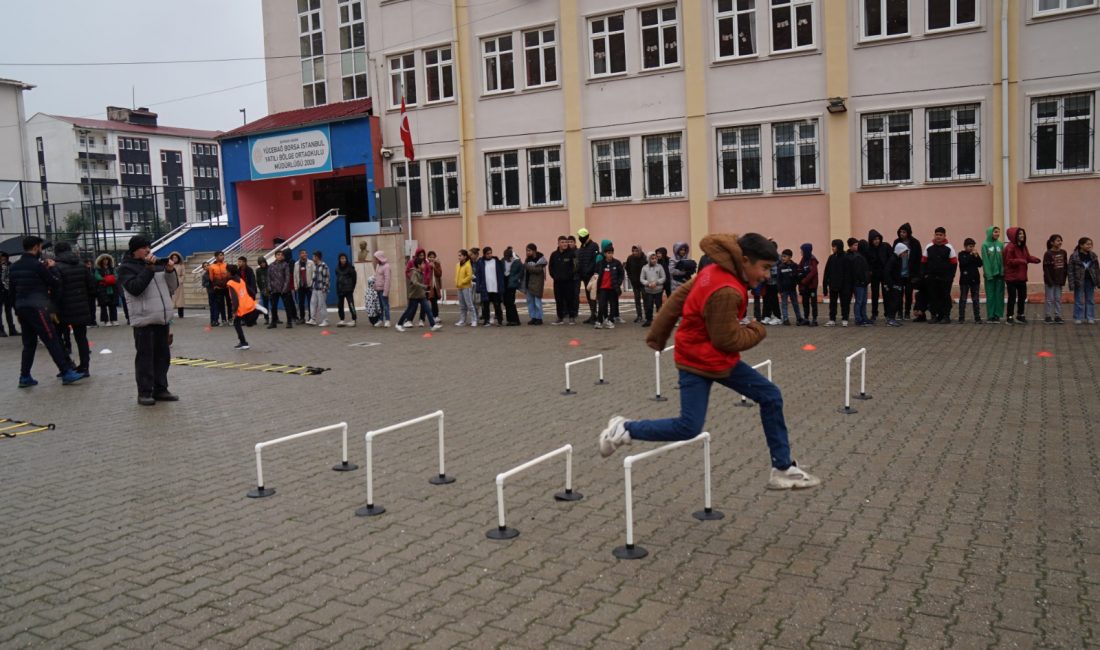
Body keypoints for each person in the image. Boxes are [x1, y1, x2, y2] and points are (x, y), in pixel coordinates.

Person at [597, 233, 821, 490]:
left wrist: (658, 334)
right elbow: (727, 339)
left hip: (713, 358)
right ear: (745, 261)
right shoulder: (726, 290)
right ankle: (623, 429)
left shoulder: (716, 270)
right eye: (765, 268)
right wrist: (758, 329)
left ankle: (783, 468)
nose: (767, 276)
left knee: (770, 396)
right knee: (688, 427)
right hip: (698, 361)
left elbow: (679, 296)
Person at [11, 236, 84, 387]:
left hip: (22, 307)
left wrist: (17, 311)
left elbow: (12, 291)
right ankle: (66, 372)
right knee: (51, 339)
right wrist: (52, 269)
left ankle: (24, 377)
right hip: (37, 307)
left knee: (29, 343)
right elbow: (54, 282)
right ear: (37, 247)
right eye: (40, 247)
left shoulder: (14, 267)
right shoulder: (37, 266)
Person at [117, 235, 177, 405]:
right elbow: (135, 288)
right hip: (144, 320)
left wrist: (170, 271)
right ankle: (144, 392)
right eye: (144, 247)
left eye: (149, 246)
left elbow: (172, 287)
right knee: (145, 358)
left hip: (161, 318)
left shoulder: (155, 264)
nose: (148, 250)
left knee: (162, 357)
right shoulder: (126, 268)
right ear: (134, 250)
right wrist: (149, 269)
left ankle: (161, 389)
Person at [52, 242, 96, 377]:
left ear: (56, 253)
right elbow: (91, 286)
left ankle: (67, 365)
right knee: (81, 338)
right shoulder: (82, 266)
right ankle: (85, 367)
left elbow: (56, 290)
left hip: (63, 309)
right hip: (81, 307)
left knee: (58, 337)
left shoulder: (57, 268)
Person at [921, 227, 958, 325]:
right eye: (936, 234)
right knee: (933, 297)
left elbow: (954, 263)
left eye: (940, 235)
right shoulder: (929, 247)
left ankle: (945, 316)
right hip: (931, 278)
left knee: (945, 297)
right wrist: (925, 275)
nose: (938, 237)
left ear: (944, 236)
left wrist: (951, 276)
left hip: (945, 278)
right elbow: (924, 262)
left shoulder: (949, 247)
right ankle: (934, 316)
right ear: (934, 235)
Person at [1003, 227, 1039, 324]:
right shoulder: (1010, 247)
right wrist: (1020, 261)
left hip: (1021, 276)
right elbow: (1008, 261)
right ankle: (1009, 317)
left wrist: (1034, 259)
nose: (1022, 236)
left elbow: (1027, 257)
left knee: (1022, 296)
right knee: (1012, 297)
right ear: (1014, 236)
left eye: (1023, 234)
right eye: (1019, 234)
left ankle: (1020, 315)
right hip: (1011, 277)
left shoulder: (1023, 246)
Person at [395, 262, 441, 332]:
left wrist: (425, 288)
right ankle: (399, 324)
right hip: (414, 296)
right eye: (423, 264)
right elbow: (415, 282)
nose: (424, 265)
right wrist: (424, 286)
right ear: (419, 265)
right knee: (408, 311)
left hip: (421, 295)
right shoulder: (414, 272)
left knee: (428, 309)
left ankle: (433, 325)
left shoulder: (421, 273)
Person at [226, 263, 259, 350]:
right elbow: (249, 290)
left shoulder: (231, 283)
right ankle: (256, 311)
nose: (225, 273)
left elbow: (234, 299)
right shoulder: (240, 279)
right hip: (247, 304)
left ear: (229, 272)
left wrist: (234, 311)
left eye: (226, 271)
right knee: (249, 323)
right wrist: (253, 297)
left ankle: (244, 343)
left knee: (236, 323)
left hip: (240, 307)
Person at [894, 223, 922, 320]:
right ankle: (899, 313)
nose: (902, 234)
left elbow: (919, 259)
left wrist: (917, 274)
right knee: (899, 293)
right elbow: (894, 256)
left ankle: (907, 313)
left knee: (909, 294)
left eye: (904, 232)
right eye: (900, 232)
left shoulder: (915, 243)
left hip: (910, 273)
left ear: (908, 233)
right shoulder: (896, 242)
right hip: (899, 273)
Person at [1068, 237, 1097, 325]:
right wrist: (1071, 283)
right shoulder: (1074, 256)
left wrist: (1098, 281)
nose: (1089, 246)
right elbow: (1070, 271)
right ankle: (1078, 317)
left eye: (1090, 244)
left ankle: (1090, 317)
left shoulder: (1093, 256)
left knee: (1090, 300)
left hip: (1090, 281)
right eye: (1087, 244)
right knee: (1079, 299)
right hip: (1079, 281)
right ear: (1081, 245)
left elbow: (1097, 269)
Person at [594, 245, 624, 329]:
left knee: (613, 306)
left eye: (611, 253)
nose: (610, 255)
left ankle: (610, 321)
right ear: (604, 254)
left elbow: (621, 274)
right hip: (602, 288)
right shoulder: (600, 264)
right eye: (608, 253)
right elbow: (595, 273)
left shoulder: (617, 263)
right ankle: (599, 321)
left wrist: (618, 284)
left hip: (613, 288)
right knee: (601, 305)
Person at [549, 235, 577, 325]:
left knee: (570, 299)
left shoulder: (572, 254)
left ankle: (571, 317)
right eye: (562, 242)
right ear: (558, 243)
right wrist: (555, 276)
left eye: (566, 242)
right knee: (559, 300)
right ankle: (560, 318)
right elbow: (551, 267)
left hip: (569, 282)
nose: (565, 244)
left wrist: (569, 275)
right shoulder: (554, 254)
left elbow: (576, 266)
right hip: (557, 282)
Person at [822, 239, 851, 327]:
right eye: (832, 246)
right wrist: (825, 286)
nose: (832, 248)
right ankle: (832, 319)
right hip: (833, 285)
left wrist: (849, 286)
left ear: (839, 247)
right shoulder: (831, 258)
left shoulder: (846, 257)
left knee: (845, 303)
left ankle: (845, 319)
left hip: (844, 285)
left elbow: (849, 273)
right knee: (832, 303)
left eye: (834, 246)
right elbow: (826, 272)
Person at [476, 245, 505, 326]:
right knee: (485, 305)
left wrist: (501, 286)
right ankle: (486, 320)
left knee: (497, 305)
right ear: (484, 254)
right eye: (488, 253)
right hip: (485, 288)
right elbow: (478, 275)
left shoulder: (496, 261)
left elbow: (500, 275)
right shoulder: (481, 262)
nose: (489, 255)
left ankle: (499, 320)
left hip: (495, 287)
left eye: (490, 253)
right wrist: (479, 287)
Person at [981, 226, 1006, 323]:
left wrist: (1003, 271)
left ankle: (997, 315)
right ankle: (990, 315)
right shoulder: (985, 245)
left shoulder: (1000, 245)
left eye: (998, 232)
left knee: (999, 295)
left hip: (1000, 274)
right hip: (990, 275)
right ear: (990, 232)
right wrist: (988, 273)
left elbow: (1003, 259)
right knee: (990, 295)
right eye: (995, 232)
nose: (997, 234)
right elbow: (985, 261)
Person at [865, 230, 890, 323]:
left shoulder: (885, 246)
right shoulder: (869, 249)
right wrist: (870, 271)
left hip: (885, 274)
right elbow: (867, 262)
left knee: (886, 294)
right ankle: (874, 313)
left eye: (878, 239)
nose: (877, 241)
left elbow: (890, 258)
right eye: (874, 239)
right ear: (871, 240)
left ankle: (887, 314)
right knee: (874, 295)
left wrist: (888, 270)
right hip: (874, 275)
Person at [266, 249, 295, 329]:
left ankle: (289, 322)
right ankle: (273, 322)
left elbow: (287, 277)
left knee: (287, 306)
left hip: (284, 290)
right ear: (275, 256)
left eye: (281, 255)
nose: (280, 256)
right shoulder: (271, 265)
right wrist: (269, 287)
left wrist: (285, 288)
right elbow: (268, 277)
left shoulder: (285, 265)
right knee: (273, 307)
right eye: (278, 254)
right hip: (274, 290)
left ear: (283, 256)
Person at [1042, 234, 1068, 324]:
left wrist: (1063, 279)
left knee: (1058, 298)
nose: (1060, 242)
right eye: (1057, 240)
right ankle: (1048, 316)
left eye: (1060, 240)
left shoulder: (1063, 252)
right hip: (1050, 280)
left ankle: (1058, 316)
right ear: (1052, 242)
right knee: (1049, 299)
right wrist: (1049, 280)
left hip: (1059, 280)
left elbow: (1065, 267)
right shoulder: (1048, 253)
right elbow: (1046, 268)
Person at [775, 249, 805, 326]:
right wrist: (779, 289)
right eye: (782, 256)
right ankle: (785, 319)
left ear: (790, 257)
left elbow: (798, 275)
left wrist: (796, 278)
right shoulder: (780, 267)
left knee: (795, 304)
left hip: (792, 289)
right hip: (783, 290)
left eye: (785, 256)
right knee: (784, 304)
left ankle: (799, 318)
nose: (783, 258)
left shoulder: (794, 266)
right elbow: (778, 279)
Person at [957, 238, 983, 324]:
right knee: (963, 299)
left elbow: (980, 264)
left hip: (975, 280)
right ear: (965, 246)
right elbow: (963, 262)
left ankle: (977, 317)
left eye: (973, 246)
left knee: (975, 299)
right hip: (965, 280)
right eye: (970, 246)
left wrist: (977, 256)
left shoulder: (974, 255)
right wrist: (971, 255)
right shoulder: (961, 254)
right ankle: (961, 317)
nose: (972, 248)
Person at [576, 229, 600, 323]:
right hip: (584, 277)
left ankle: (596, 315)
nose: (580, 238)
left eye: (581, 237)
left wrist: (588, 271)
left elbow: (595, 261)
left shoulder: (594, 246)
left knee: (593, 296)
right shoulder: (582, 247)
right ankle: (592, 315)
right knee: (588, 296)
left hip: (592, 276)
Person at [522, 243, 547, 325]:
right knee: (530, 302)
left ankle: (539, 318)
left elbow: (537, 270)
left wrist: (526, 266)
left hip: (537, 284)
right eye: (526, 250)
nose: (527, 252)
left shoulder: (540, 260)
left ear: (534, 251)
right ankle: (533, 317)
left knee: (537, 302)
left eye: (529, 250)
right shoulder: (528, 260)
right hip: (528, 283)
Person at [849, 239, 872, 326]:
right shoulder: (858, 257)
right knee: (859, 301)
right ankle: (858, 319)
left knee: (863, 301)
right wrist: (862, 280)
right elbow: (857, 272)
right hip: (859, 283)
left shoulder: (862, 256)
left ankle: (864, 317)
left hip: (863, 283)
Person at [639, 251, 666, 326]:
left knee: (659, 306)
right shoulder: (644, 268)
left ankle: (660, 321)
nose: (654, 260)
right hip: (648, 291)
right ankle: (649, 320)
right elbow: (641, 279)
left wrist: (656, 282)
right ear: (648, 259)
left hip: (658, 290)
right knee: (649, 306)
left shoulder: (660, 267)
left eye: (655, 258)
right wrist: (648, 283)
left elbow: (663, 277)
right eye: (652, 259)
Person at [884, 243, 907, 327]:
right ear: (900, 251)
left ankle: (892, 318)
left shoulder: (898, 259)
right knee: (893, 302)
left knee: (896, 302)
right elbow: (887, 272)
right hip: (893, 285)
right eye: (904, 252)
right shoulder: (893, 259)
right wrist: (891, 285)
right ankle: (890, 319)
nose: (905, 254)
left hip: (897, 284)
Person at [94, 254, 120, 326]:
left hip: (112, 288)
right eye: (104, 259)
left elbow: (116, 276)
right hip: (102, 289)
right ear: (101, 261)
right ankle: (106, 320)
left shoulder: (112, 268)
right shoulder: (98, 269)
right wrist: (107, 279)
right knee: (104, 305)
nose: (106, 261)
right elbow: (97, 277)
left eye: (107, 259)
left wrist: (109, 279)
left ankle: (114, 319)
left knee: (113, 305)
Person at [798, 243, 819, 326]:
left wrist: (804, 280)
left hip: (811, 285)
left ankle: (814, 319)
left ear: (806, 251)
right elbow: (799, 268)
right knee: (805, 302)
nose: (801, 252)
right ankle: (806, 318)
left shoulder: (813, 260)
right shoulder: (803, 259)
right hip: (804, 286)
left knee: (813, 303)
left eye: (802, 250)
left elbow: (813, 272)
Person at [624, 245, 646, 323]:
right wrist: (631, 278)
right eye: (633, 251)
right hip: (635, 283)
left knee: (646, 299)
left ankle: (647, 316)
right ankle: (639, 316)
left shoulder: (645, 258)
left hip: (644, 283)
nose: (634, 253)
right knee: (637, 300)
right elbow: (627, 268)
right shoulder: (630, 258)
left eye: (636, 251)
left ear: (640, 251)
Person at [501, 246, 523, 326]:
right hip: (505, 282)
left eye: (508, 258)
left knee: (510, 302)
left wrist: (515, 278)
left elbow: (521, 271)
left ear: (511, 256)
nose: (507, 259)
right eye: (505, 258)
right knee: (506, 302)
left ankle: (515, 320)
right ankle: (509, 320)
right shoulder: (503, 260)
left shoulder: (517, 261)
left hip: (512, 283)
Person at [207, 251, 230, 325]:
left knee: (229, 303)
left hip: (227, 287)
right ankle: (223, 319)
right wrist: (215, 286)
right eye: (220, 255)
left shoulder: (226, 265)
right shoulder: (211, 267)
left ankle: (230, 318)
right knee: (221, 304)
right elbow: (211, 278)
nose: (222, 257)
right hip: (218, 288)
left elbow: (229, 276)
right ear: (216, 257)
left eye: (223, 255)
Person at [335, 252, 358, 327]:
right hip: (340, 290)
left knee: (351, 305)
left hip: (348, 290)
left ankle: (354, 319)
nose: (343, 260)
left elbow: (354, 279)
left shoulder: (350, 268)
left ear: (346, 259)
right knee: (340, 306)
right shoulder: (337, 268)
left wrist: (352, 288)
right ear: (339, 259)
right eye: (341, 258)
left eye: (344, 258)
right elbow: (337, 278)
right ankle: (342, 320)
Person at [308, 250, 330, 327]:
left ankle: (325, 320)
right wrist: (312, 285)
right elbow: (314, 278)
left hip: (321, 289)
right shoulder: (315, 265)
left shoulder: (324, 265)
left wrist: (325, 287)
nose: (312, 258)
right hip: (315, 288)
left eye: (313, 256)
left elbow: (327, 277)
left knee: (321, 305)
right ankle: (313, 319)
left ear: (317, 257)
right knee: (312, 303)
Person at [294, 249, 315, 324]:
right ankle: (302, 318)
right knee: (301, 303)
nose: (305, 254)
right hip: (300, 286)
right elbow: (295, 275)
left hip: (309, 286)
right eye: (303, 253)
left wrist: (312, 283)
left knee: (310, 303)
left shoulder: (311, 263)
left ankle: (311, 318)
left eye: (306, 253)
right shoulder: (296, 264)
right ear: (299, 255)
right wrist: (296, 286)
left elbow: (314, 273)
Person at [455, 249, 475, 326]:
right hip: (459, 287)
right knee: (462, 305)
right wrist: (457, 282)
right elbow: (457, 276)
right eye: (458, 255)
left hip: (466, 287)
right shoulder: (457, 265)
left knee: (469, 304)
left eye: (460, 255)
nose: (459, 257)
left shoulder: (468, 265)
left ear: (465, 256)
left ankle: (474, 320)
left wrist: (462, 282)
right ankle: (462, 320)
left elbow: (469, 276)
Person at [0, 251, 17, 336]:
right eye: (1, 258)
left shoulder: (11, 265)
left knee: (9, 310)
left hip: (8, 291)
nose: (3, 260)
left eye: (4, 258)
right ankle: (1, 330)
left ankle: (12, 329)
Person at [372, 250, 391, 327]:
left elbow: (387, 279)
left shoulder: (386, 266)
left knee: (385, 305)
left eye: (376, 258)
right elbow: (377, 276)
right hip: (378, 289)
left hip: (383, 289)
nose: (375, 260)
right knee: (380, 306)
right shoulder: (378, 266)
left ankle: (387, 320)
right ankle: (380, 320)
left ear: (380, 258)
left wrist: (385, 292)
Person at [168, 252, 185, 319]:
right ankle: (169, 315)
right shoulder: (168, 265)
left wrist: (180, 281)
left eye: (176, 257)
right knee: (170, 300)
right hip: (170, 283)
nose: (174, 259)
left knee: (180, 300)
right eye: (173, 258)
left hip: (179, 284)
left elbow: (183, 274)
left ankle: (181, 314)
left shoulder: (181, 265)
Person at [427, 251, 443, 319]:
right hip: (429, 286)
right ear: (428, 258)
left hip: (436, 286)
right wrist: (430, 267)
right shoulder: (426, 265)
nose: (432, 258)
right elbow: (426, 275)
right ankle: (434, 316)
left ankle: (435, 316)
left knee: (434, 301)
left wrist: (434, 267)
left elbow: (439, 274)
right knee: (432, 301)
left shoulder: (437, 264)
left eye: (433, 257)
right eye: (430, 257)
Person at [255, 256, 271, 324]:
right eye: (261, 263)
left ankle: (276, 318)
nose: (262, 264)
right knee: (265, 305)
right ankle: (266, 318)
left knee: (273, 304)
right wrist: (261, 289)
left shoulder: (270, 268)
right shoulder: (258, 270)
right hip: (263, 289)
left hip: (271, 288)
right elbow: (258, 280)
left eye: (263, 262)